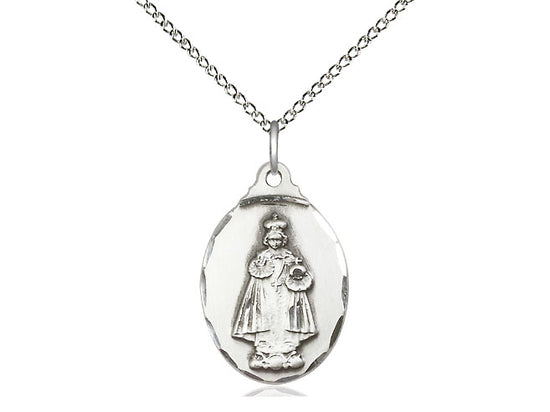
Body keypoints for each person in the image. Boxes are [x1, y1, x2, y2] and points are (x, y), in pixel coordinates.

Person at [233, 213, 317, 370]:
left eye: (278, 239)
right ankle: (264, 348)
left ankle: (288, 347)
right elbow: (257, 274)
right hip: (266, 293)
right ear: (267, 240)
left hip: (285, 294)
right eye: (272, 240)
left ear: (283, 240)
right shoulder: (262, 257)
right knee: (266, 315)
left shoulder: (288, 256)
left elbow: (295, 272)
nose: (275, 243)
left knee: (284, 316)